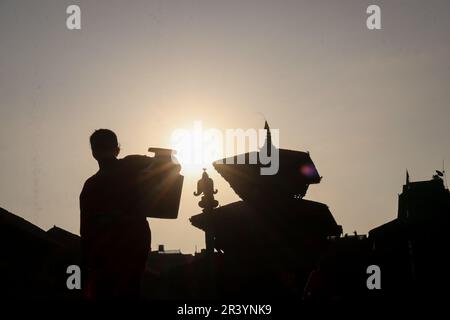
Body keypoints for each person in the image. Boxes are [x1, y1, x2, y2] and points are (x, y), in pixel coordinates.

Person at [80, 129, 152, 300]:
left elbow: (86, 230)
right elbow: (171, 164)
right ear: (117, 149)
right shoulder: (132, 165)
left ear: (93, 153)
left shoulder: (91, 185)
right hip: (132, 244)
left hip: (108, 252)